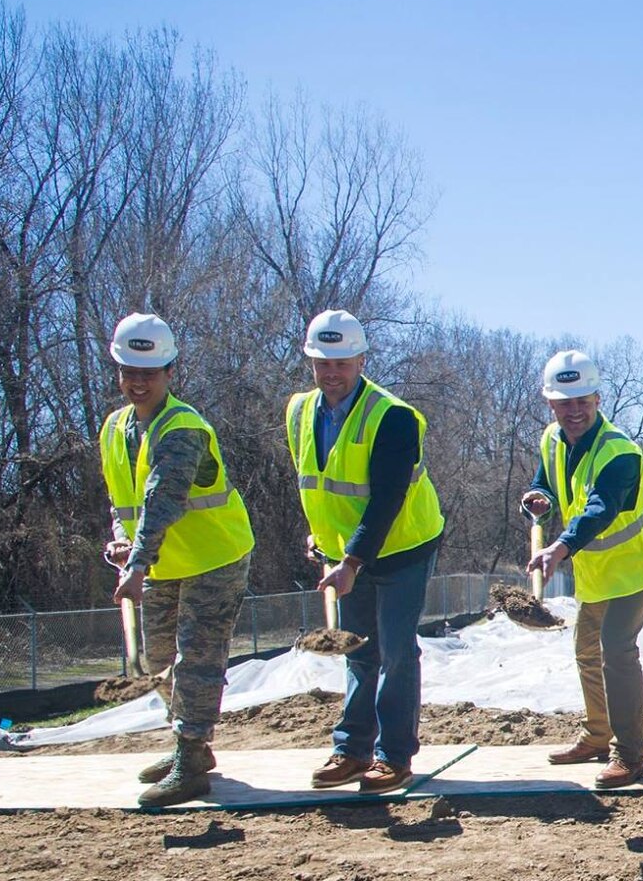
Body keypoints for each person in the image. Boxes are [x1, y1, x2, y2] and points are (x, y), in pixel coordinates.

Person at [99, 313, 255, 807]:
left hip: (214, 556)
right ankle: (192, 745)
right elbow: (123, 502)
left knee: (197, 657)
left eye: (149, 372)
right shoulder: (115, 429)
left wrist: (137, 564)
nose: (138, 382)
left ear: (169, 372)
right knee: (159, 659)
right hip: (164, 563)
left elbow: (164, 500)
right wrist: (123, 541)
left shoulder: (183, 428)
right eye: (130, 372)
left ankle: (190, 760)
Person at [286, 309, 445, 794]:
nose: (332, 373)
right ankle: (352, 749)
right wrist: (323, 538)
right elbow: (316, 480)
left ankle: (393, 757)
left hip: (402, 548)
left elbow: (386, 499)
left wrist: (352, 561)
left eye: (342, 362)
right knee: (357, 651)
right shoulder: (298, 411)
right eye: (322, 363)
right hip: (344, 558)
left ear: (361, 360)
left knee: (396, 651)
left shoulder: (392, 417)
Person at [522, 349, 643, 789]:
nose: (573, 410)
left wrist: (559, 547)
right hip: (595, 565)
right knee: (586, 647)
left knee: (616, 648)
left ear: (598, 399)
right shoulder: (552, 439)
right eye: (564, 402)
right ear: (550, 403)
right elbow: (546, 481)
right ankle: (596, 735)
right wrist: (538, 498)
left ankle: (629, 756)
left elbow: (600, 509)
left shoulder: (620, 452)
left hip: (636, 562)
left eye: (582, 400)